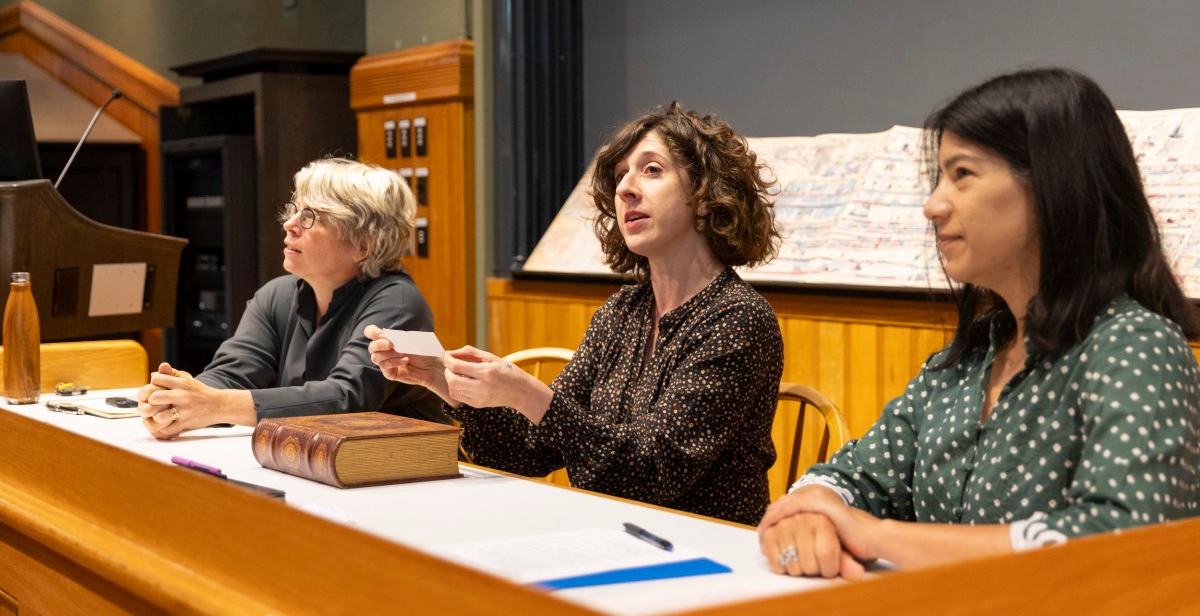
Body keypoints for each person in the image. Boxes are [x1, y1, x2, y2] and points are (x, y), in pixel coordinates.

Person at [759, 67, 1200, 578]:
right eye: (939, 178)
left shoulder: (1135, 346)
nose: (932, 206)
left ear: (1055, 184)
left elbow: (1122, 538)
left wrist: (878, 535)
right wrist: (809, 512)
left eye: (962, 175)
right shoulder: (967, 359)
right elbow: (853, 476)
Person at [366, 102, 784, 524]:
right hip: (613, 536)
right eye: (621, 176)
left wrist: (529, 395)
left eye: (652, 170)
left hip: (706, 554)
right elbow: (530, 451)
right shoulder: (621, 312)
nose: (625, 189)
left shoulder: (738, 319)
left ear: (707, 197)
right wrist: (443, 380)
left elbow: (652, 475)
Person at [138, 157, 445, 439]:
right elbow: (235, 372)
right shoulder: (277, 295)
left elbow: (347, 398)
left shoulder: (399, 303)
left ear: (363, 244)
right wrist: (176, 398)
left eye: (311, 216)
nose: (289, 224)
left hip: (400, 477)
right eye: (294, 209)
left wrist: (215, 405)